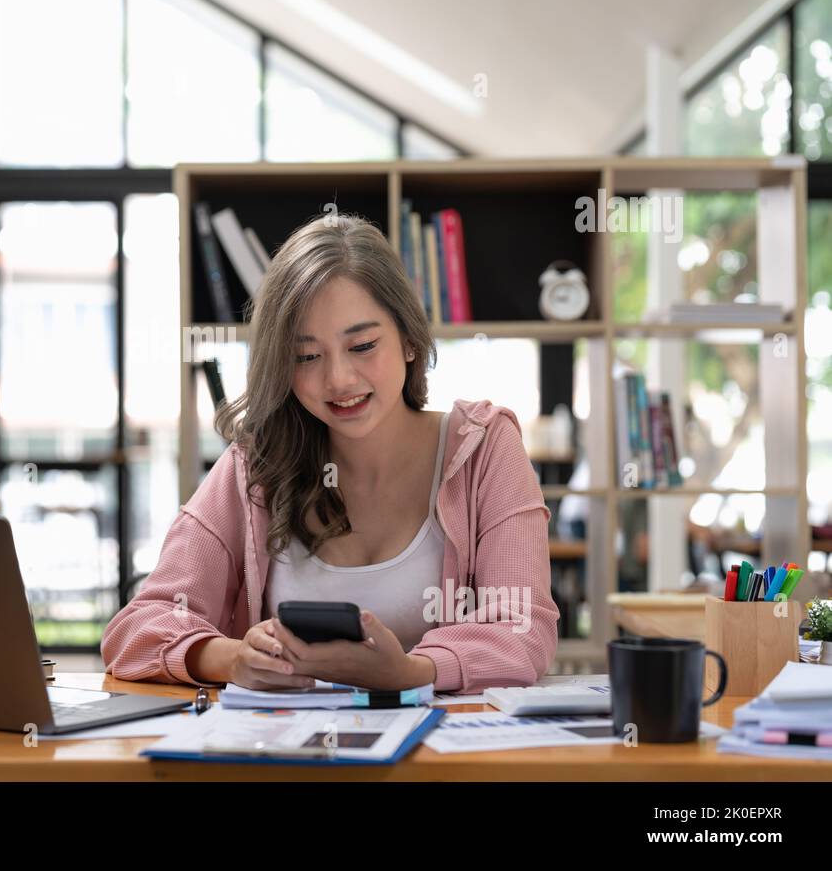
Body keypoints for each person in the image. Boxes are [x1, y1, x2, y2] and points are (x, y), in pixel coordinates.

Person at [101, 212, 559, 693]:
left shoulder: (483, 450)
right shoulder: (255, 466)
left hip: (436, 763)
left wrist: (411, 674)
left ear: (408, 338)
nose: (338, 380)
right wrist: (233, 658)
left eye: (362, 345)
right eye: (306, 356)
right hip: (289, 757)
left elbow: (524, 628)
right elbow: (136, 629)